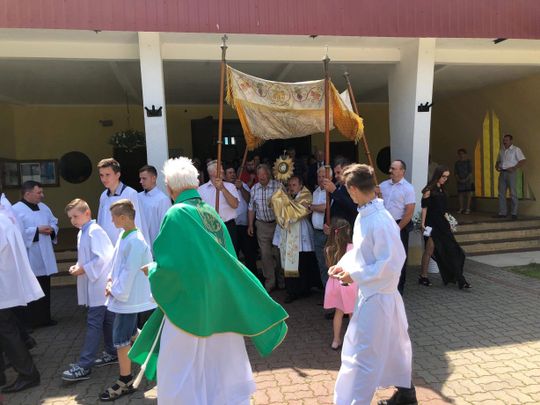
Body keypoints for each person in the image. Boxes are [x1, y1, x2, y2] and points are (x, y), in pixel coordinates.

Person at [129, 157, 288, 405]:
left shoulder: (176, 213)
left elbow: (172, 266)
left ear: (169, 187)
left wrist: (152, 271)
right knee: (218, 366)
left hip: (190, 305)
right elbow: (226, 258)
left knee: (181, 368)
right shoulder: (209, 211)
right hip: (220, 301)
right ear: (196, 183)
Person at [328, 164, 417, 405]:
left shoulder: (380, 220)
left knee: (363, 356)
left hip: (379, 298)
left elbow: (391, 263)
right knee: (392, 349)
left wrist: (354, 275)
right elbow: (362, 252)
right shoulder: (366, 214)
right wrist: (344, 265)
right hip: (373, 294)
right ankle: (407, 396)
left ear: (353, 189)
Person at [99, 199, 156, 402]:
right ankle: (158, 357)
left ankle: (125, 381)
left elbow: (130, 271)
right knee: (131, 334)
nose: (111, 221)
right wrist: (110, 280)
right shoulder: (125, 235)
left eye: (113, 217)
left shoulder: (135, 241)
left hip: (129, 298)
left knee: (121, 338)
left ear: (123, 218)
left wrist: (115, 290)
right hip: (125, 295)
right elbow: (118, 264)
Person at [61, 199, 116, 382]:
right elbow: (87, 256)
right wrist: (78, 266)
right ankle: (112, 352)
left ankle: (85, 365)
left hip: (100, 284)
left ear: (87, 213)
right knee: (107, 320)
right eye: (70, 218)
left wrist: (83, 269)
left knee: (94, 323)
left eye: (75, 216)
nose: (73, 221)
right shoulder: (83, 231)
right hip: (96, 284)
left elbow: (103, 257)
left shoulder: (94, 231)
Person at [0, 207, 43, 394]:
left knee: (7, 331)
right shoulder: (4, 218)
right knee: (6, 328)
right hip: (6, 283)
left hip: (3, 284)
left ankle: (28, 374)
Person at [12, 181, 59, 328]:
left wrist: (52, 229)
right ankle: (30, 322)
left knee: (45, 288)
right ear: (27, 194)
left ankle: (45, 318)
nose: (42, 195)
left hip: (45, 253)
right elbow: (15, 232)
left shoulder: (44, 207)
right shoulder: (15, 210)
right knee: (31, 290)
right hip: (30, 256)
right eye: (39, 193)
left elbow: (54, 221)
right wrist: (37, 230)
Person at [419, 166, 471, 290]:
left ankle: (460, 279)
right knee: (429, 250)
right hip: (432, 224)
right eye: (443, 176)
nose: (445, 179)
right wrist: (423, 224)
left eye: (447, 177)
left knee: (454, 250)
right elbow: (424, 208)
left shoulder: (442, 189)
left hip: (443, 224)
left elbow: (443, 209)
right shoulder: (429, 190)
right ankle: (423, 276)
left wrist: (448, 221)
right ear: (437, 175)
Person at [271, 175, 315, 303]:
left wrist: (284, 201)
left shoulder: (306, 195)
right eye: (289, 185)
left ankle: (304, 289)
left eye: (294, 185)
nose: (291, 188)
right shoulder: (285, 195)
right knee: (288, 262)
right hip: (287, 231)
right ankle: (291, 291)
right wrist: (280, 197)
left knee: (303, 261)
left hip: (300, 231)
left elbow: (297, 211)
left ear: (301, 185)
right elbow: (276, 206)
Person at [379, 160, 416, 296]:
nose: (390, 171)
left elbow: (409, 212)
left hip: (399, 225)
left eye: (394, 169)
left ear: (402, 171)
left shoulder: (408, 188)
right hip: (384, 224)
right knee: (383, 256)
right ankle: (384, 285)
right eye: (390, 168)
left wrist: (397, 229)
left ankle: (398, 289)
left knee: (398, 258)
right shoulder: (382, 185)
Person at [248, 164, 285, 293]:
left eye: (264, 174)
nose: (261, 177)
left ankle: (281, 280)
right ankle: (270, 281)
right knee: (265, 255)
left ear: (268, 174)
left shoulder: (278, 186)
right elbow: (251, 208)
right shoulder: (254, 188)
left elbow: (286, 204)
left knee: (279, 254)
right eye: (259, 174)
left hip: (277, 225)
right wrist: (250, 225)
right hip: (262, 225)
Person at [323, 218, 357, 350]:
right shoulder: (352, 248)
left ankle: (336, 340)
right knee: (352, 313)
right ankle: (354, 342)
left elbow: (329, 267)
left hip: (334, 284)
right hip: (347, 283)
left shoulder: (328, 249)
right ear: (348, 231)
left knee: (339, 312)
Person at [97, 158, 145, 245]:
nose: (104, 179)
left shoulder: (130, 193)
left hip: (125, 244)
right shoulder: (103, 196)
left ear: (117, 175)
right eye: (101, 175)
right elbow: (100, 221)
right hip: (106, 245)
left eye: (107, 175)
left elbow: (138, 222)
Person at [225, 166, 259, 279]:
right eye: (229, 173)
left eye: (233, 172)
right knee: (234, 254)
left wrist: (241, 188)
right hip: (231, 226)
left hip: (245, 225)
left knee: (249, 254)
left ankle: (253, 278)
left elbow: (250, 200)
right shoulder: (222, 187)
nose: (233, 174)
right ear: (225, 176)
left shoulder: (242, 184)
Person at [198, 160, 239, 246]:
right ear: (211, 172)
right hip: (210, 227)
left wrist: (223, 189)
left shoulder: (230, 186)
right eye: (219, 169)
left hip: (228, 226)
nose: (223, 171)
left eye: (222, 168)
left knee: (230, 252)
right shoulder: (201, 190)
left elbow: (235, 205)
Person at [137, 165, 172, 252]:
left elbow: (165, 227)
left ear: (153, 178)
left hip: (155, 248)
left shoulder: (162, 199)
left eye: (144, 178)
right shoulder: (137, 196)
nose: (141, 181)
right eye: (140, 178)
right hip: (140, 245)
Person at [495, 134, 526, 220]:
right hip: (502, 173)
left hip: (511, 173)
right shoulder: (501, 150)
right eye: (504, 140)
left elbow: (523, 160)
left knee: (513, 193)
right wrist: (497, 166)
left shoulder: (516, 149)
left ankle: (514, 213)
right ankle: (502, 212)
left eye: (506, 140)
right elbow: (498, 161)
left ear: (511, 141)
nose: (504, 141)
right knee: (501, 193)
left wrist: (514, 168)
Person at [311, 166, 331, 287]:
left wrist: (311, 207)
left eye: (324, 176)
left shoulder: (330, 192)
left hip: (328, 233)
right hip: (317, 232)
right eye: (319, 176)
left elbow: (325, 207)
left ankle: (333, 292)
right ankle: (326, 290)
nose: (321, 179)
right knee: (321, 264)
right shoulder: (315, 192)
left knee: (330, 264)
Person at [322, 158, 358, 228]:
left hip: (348, 229)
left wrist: (335, 192)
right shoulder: (336, 186)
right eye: (335, 173)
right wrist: (325, 224)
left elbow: (353, 207)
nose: (336, 176)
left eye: (338, 172)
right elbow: (329, 208)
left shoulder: (354, 187)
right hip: (334, 228)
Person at [454, 148, 473, 214]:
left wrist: (466, 179)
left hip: (468, 181)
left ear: (465, 154)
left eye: (463, 154)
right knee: (460, 194)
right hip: (460, 180)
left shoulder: (468, 162)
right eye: (460, 154)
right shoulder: (457, 163)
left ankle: (468, 208)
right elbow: (455, 173)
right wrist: (459, 179)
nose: (461, 155)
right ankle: (461, 208)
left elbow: (470, 172)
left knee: (468, 194)